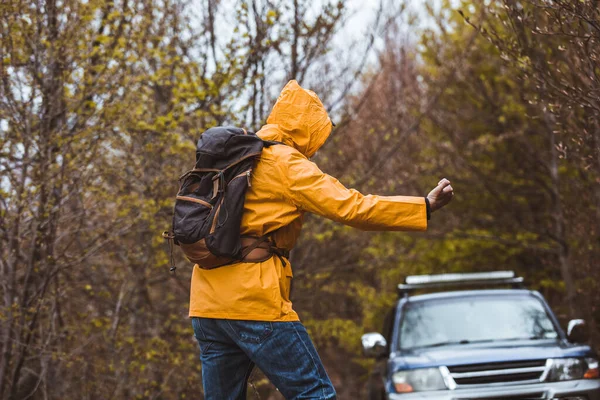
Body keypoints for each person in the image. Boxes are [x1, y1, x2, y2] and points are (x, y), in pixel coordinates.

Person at [189, 80, 454, 400]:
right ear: (306, 129)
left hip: (206, 305)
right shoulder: (285, 162)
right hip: (252, 302)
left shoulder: (234, 158)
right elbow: (353, 208)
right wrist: (422, 207)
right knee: (315, 394)